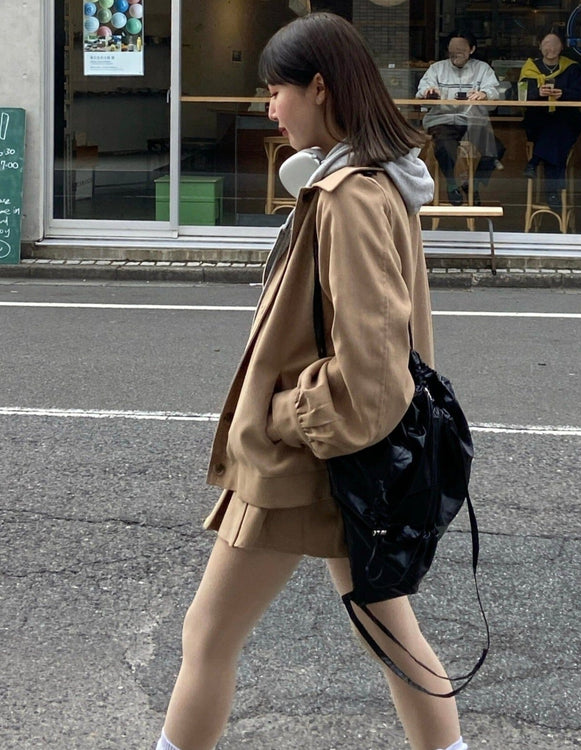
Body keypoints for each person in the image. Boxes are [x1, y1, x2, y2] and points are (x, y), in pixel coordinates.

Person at [154, 12, 470, 750]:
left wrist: (278, 415)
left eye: (276, 91)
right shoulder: (375, 181)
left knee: (207, 635)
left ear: (320, 88)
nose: (270, 109)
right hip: (347, 459)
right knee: (389, 637)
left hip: (306, 460)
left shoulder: (348, 195)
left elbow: (370, 373)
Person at [416, 30, 504, 206]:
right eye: (452, 50)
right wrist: (428, 92)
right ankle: (452, 185)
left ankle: (472, 185)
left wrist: (485, 94)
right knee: (444, 146)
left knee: (495, 149)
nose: (455, 53)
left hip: (473, 120)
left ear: (472, 49)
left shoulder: (482, 69)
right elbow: (421, 93)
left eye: (461, 50)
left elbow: (495, 92)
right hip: (442, 119)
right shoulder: (437, 69)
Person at [519, 30, 581, 212]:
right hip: (538, 122)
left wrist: (563, 94)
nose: (551, 48)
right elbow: (519, 95)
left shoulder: (572, 68)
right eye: (547, 43)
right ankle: (552, 192)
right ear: (539, 46)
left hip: (566, 120)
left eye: (555, 44)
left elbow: (580, 94)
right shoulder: (530, 68)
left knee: (558, 128)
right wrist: (537, 93)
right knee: (555, 136)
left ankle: (535, 161)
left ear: (562, 47)